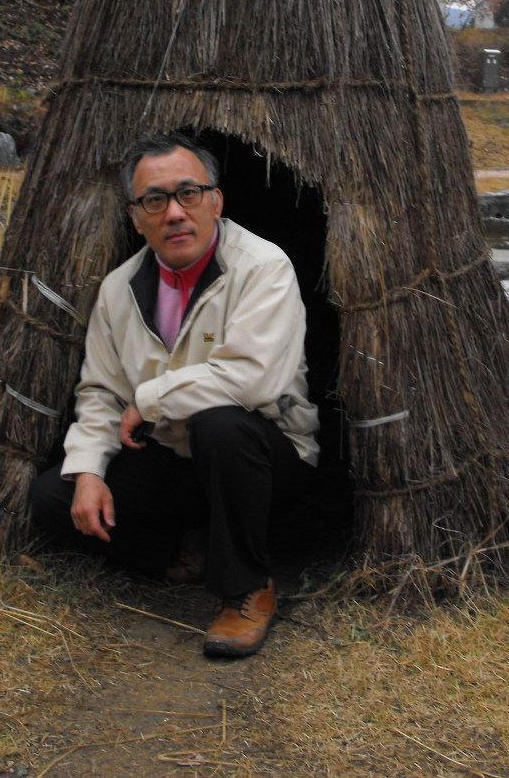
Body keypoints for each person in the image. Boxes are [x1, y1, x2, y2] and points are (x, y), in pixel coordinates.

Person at [30, 131, 319, 658]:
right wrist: (89, 471)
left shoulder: (263, 267)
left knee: (220, 423)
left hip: (264, 457)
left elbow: (252, 378)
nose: (175, 213)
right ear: (135, 216)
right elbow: (101, 391)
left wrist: (151, 400)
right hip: (175, 456)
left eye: (189, 193)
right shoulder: (120, 288)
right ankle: (180, 554)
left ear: (216, 201)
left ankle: (246, 587)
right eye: (155, 201)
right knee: (54, 497)